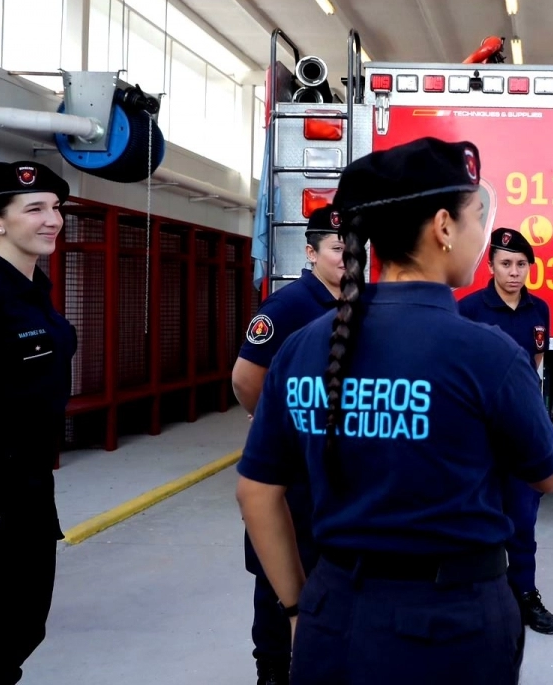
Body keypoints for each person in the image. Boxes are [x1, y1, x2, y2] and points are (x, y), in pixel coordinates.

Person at [235, 137, 553, 685]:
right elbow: (547, 474)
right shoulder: (486, 352)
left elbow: (256, 491)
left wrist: (299, 610)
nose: (482, 235)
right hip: (450, 629)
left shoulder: (303, 346)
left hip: (332, 616)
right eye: (477, 217)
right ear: (444, 227)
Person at [0, 161, 77, 685]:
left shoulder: (32, 293)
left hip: (27, 489)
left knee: (22, 627)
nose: (52, 219)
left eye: (55, 208)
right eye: (35, 209)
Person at [231, 204, 344, 685]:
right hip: (292, 470)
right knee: (279, 575)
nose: (349, 258)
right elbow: (245, 379)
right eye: (339, 249)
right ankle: (272, 670)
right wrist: (278, 425)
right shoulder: (289, 307)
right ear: (311, 251)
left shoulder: (359, 305)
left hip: (336, 469)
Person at [457, 227, 553, 635]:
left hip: (521, 432)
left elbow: (535, 364)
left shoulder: (540, 311)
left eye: (521, 264)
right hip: (478, 436)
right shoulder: (468, 310)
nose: (514, 272)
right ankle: (477, 600)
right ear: (491, 266)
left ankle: (524, 596)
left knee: (522, 518)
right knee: (475, 518)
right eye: (506, 264)